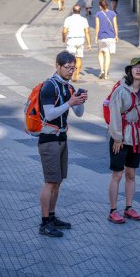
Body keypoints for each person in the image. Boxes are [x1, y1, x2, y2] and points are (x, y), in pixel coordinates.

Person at [38, 51, 88, 237]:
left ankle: (52, 217)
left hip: (61, 139)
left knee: (57, 182)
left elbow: (79, 113)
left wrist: (79, 100)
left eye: (73, 68)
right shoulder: (49, 86)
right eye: (67, 68)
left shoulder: (69, 87)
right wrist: (70, 102)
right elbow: (49, 114)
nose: (70, 71)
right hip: (49, 139)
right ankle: (44, 223)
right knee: (50, 182)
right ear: (57, 66)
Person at [108, 58, 140, 224]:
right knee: (117, 174)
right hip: (120, 137)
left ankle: (128, 208)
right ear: (130, 71)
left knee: (131, 174)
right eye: (135, 68)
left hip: (135, 138)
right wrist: (117, 137)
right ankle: (113, 210)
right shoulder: (120, 90)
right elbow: (114, 115)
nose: (138, 70)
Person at [62, 5, 91, 82]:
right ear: (80, 11)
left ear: (72, 10)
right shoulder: (84, 20)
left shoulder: (68, 19)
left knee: (70, 59)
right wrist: (89, 43)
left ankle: (70, 73)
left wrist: (63, 38)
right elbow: (87, 31)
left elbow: (64, 31)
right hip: (80, 40)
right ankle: (76, 74)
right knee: (79, 58)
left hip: (71, 40)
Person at [95, 0, 118, 80]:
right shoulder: (113, 13)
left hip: (102, 36)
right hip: (111, 37)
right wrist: (116, 35)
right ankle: (106, 74)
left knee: (100, 53)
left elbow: (97, 27)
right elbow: (115, 25)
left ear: (100, 6)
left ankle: (102, 70)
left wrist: (96, 37)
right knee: (107, 55)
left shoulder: (98, 14)